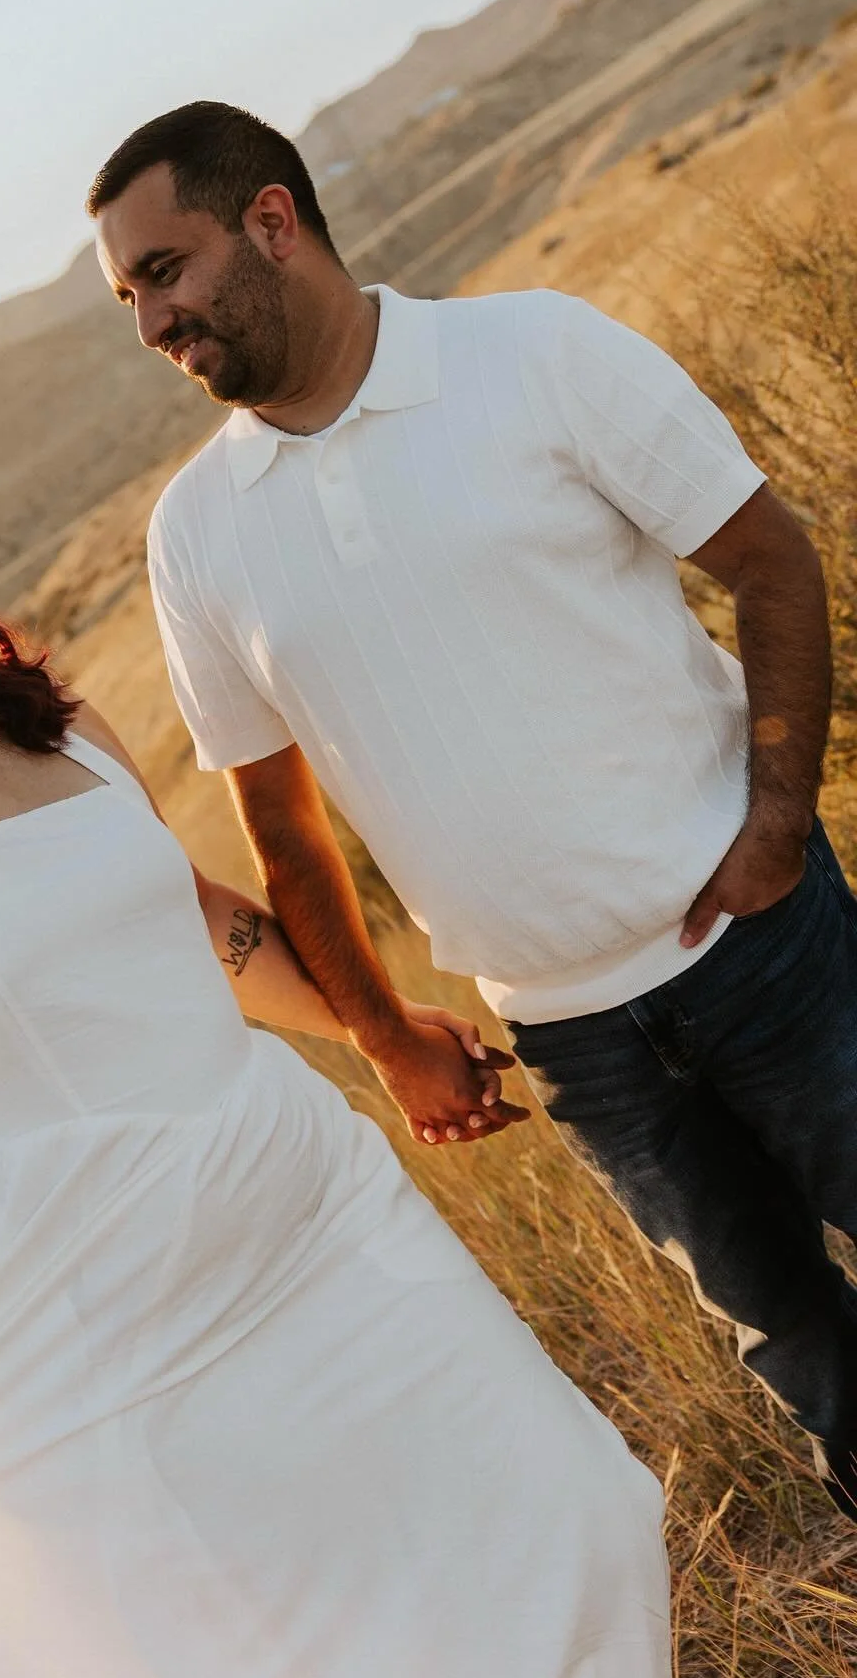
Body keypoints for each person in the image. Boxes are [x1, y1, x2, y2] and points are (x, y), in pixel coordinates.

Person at [0, 429, 671, 1678]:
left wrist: (379, 1035)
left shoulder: (53, 722)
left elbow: (196, 921)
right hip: (86, 1323)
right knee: (281, 1669)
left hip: (300, 1210)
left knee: (558, 1510)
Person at [87, 98, 857, 1520]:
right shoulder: (197, 535)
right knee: (801, 1353)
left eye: (164, 271)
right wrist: (383, 1033)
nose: (151, 323)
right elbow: (284, 828)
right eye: (130, 294)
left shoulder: (535, 355)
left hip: (770, 953)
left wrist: (772, 823)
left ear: (271, 220)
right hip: (577, 1045)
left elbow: (772, 561)